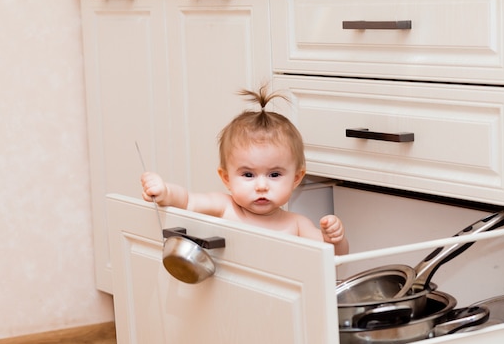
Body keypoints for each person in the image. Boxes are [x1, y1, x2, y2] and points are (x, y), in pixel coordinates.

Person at [141, 86, 349, 255]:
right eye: (248, 175)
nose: (261, 186)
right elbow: (187, 201)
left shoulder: (297, 225)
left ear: (296, 179)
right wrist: (165, 192)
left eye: (274, 175)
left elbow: (333, 258)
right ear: (226, 178)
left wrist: (335, 240)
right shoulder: (225, 207)